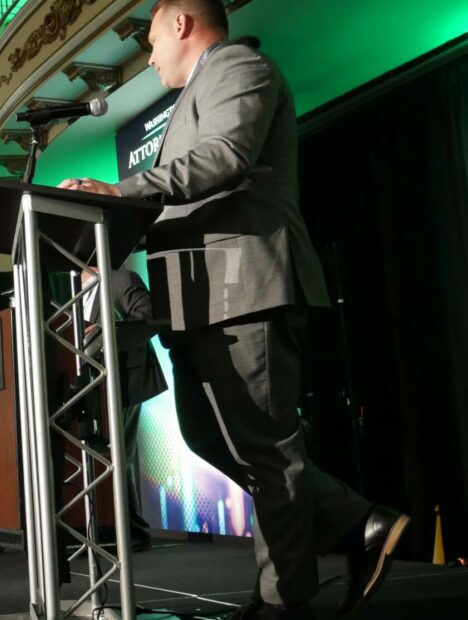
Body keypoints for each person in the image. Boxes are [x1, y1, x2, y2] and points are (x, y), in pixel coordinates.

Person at [58, 1, 408, 617]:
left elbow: (225, 156)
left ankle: (282, 600)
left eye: (150, 35)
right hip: (198, 301)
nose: (150, 50)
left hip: (246, 289)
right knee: (208, 436)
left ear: (182, 23)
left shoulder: (243, 66)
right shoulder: (199, 88)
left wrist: (124, 190)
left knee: (267, 449)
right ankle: (360, 524)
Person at [80, 268, 167, 553]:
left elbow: (147, 317)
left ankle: (134, 532)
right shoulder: (73, 289)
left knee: (119, 455)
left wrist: (104, 330)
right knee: (113, 455)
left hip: (125, 382)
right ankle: (121, 528)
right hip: (96, 386)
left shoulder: (120, 279)